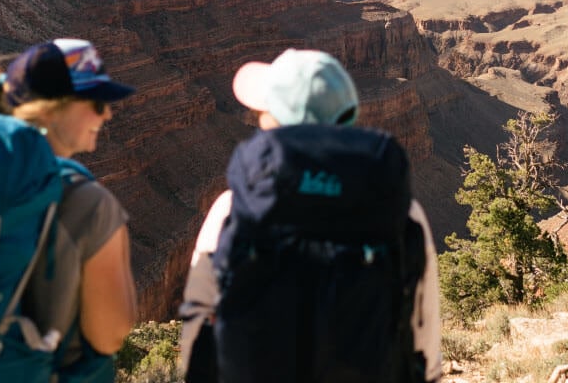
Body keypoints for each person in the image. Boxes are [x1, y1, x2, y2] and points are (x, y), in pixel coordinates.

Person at [178, 49, 442, 383]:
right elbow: (424, 334)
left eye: (263, 108)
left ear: (274, 117)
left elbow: (197, 331)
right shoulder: (401, 213)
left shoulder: (232, 210)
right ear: (346, 116)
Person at [0, 38, 140, 369]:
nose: (107, 113)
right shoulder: (86, 202)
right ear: (51, 109)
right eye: (96, 102)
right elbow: (110, 334)